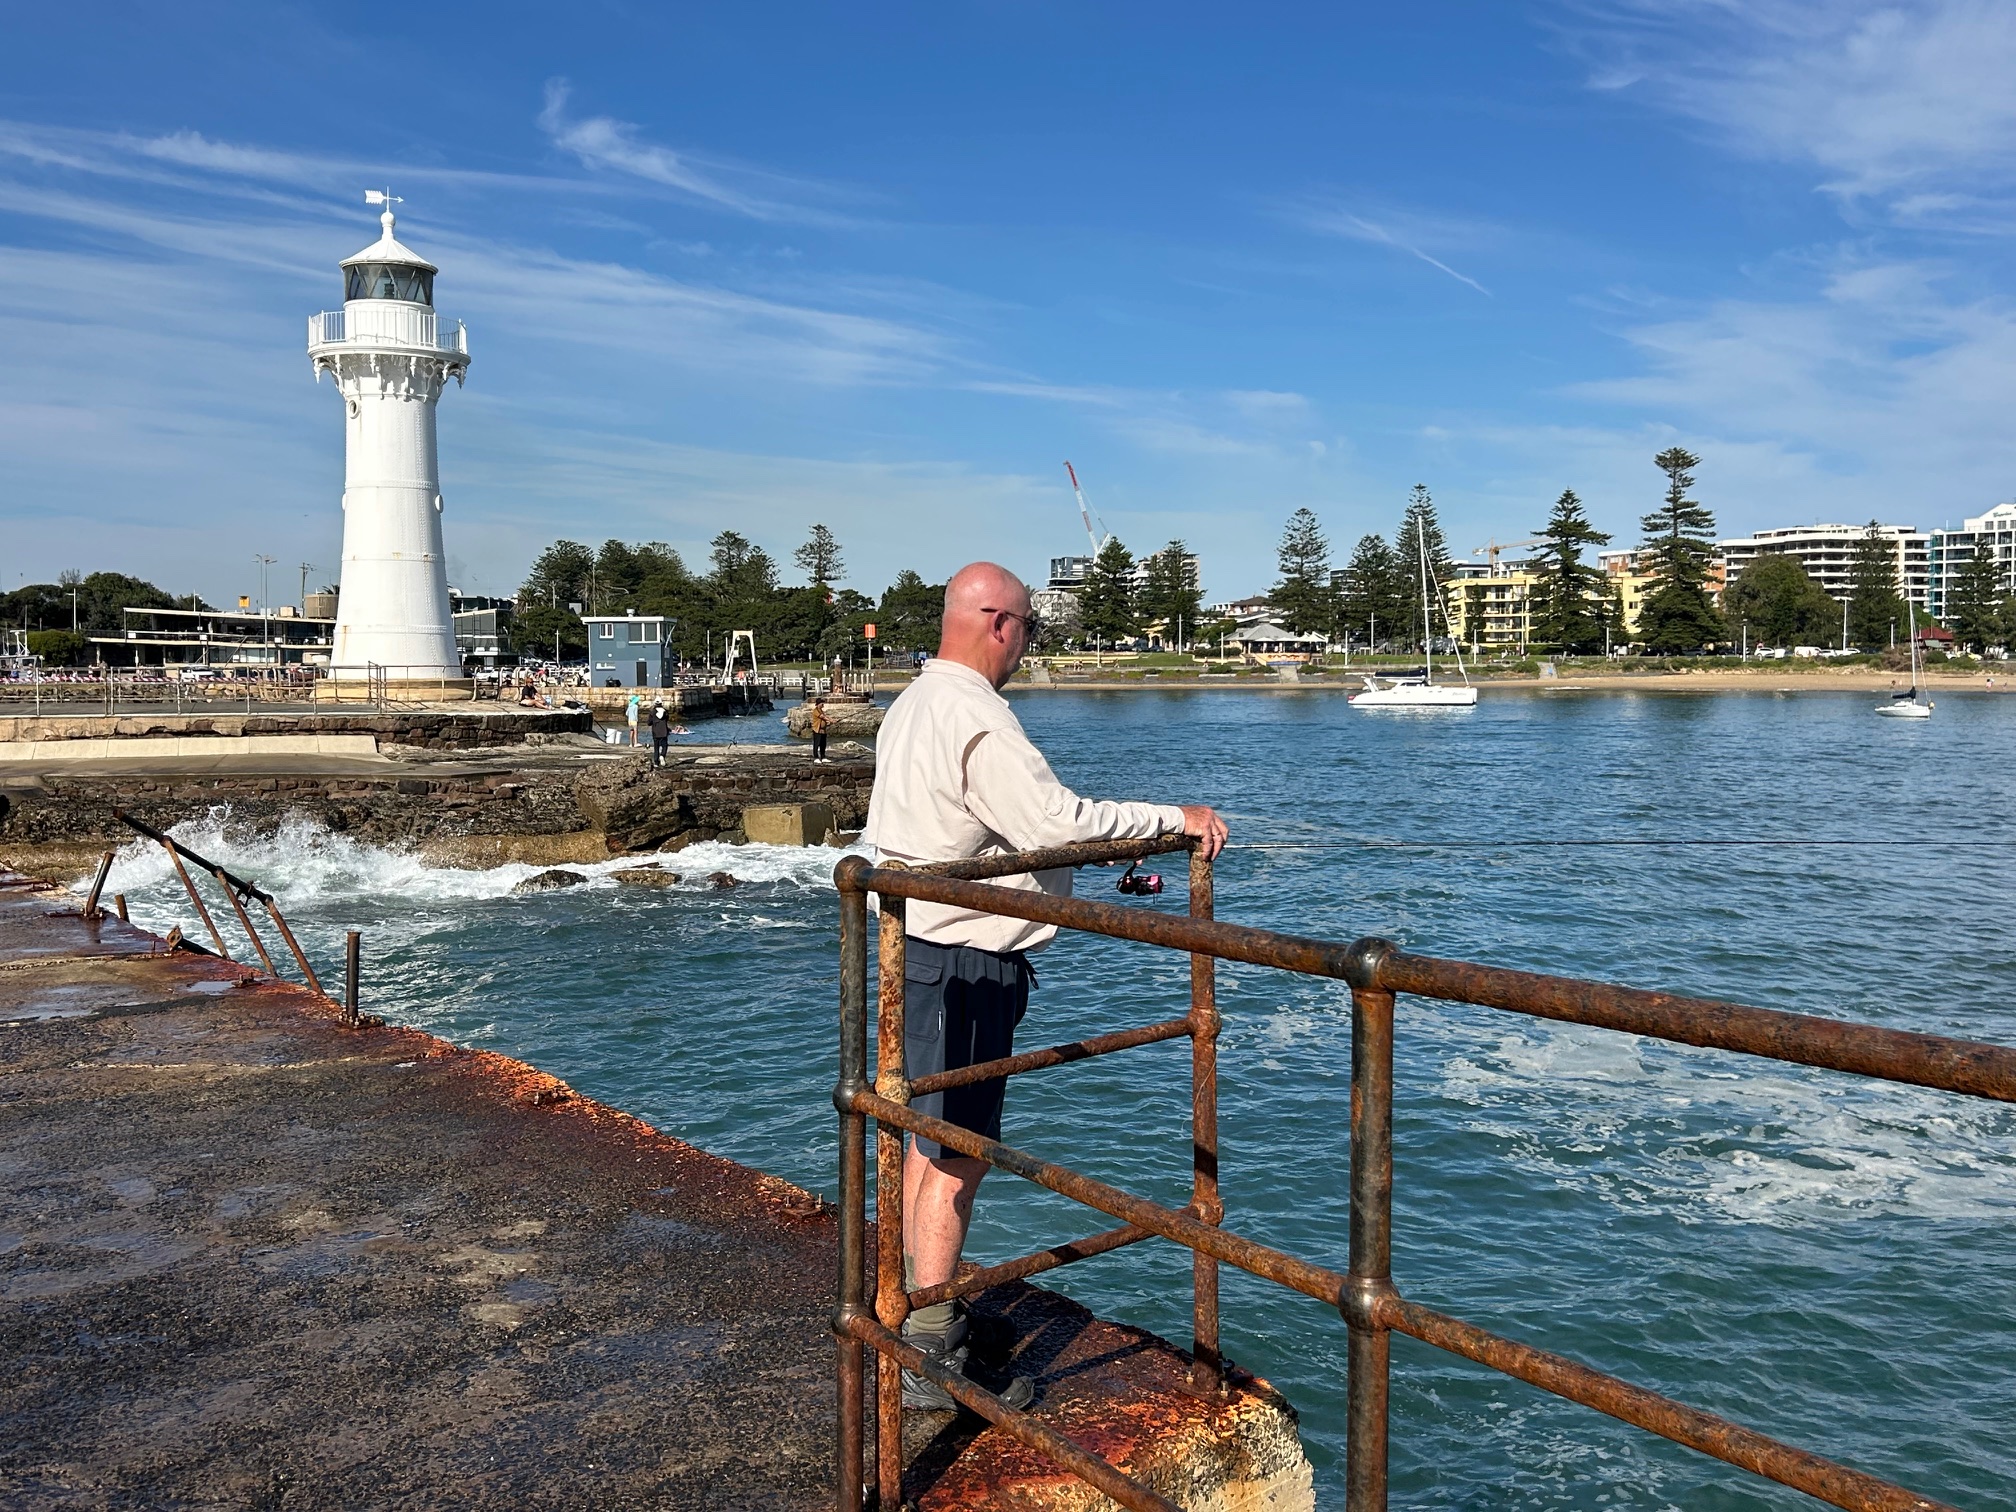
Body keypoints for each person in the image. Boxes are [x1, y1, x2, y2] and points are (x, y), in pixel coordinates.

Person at [862, 561, 1227, 1412]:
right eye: (1028, 627)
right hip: (965, 960)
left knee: (928, 1133)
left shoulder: (914, 701)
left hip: (912, 949)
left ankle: (925, 1306)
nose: (1027, 645)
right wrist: (1175, 819)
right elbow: (1053, 822)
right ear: (1000, 624)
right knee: (959, 1153)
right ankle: (927, 1352)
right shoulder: (974, 712)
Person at [648, 701, 672, 767]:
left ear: (655, 704)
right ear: (661, 704)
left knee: (656, 748)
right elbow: (667, 720)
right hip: (663, 731)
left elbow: (649, 723)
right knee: (665, 746)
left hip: (655, 732)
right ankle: (662, 755)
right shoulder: (665, 711)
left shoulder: (652, 712)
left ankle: (656, 762)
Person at [809, 696, 829, 763]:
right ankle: (816, 757)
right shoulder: (816, 710)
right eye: (822, 703)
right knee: (816, 744)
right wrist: (831, 720)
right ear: (818, 704)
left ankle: (823, 757)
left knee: (823, 744)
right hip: (817, 730)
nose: (823, 704)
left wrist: (828, 722)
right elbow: (822, 717)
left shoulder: (821, 711)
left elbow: (824, 718)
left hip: (823, 731)